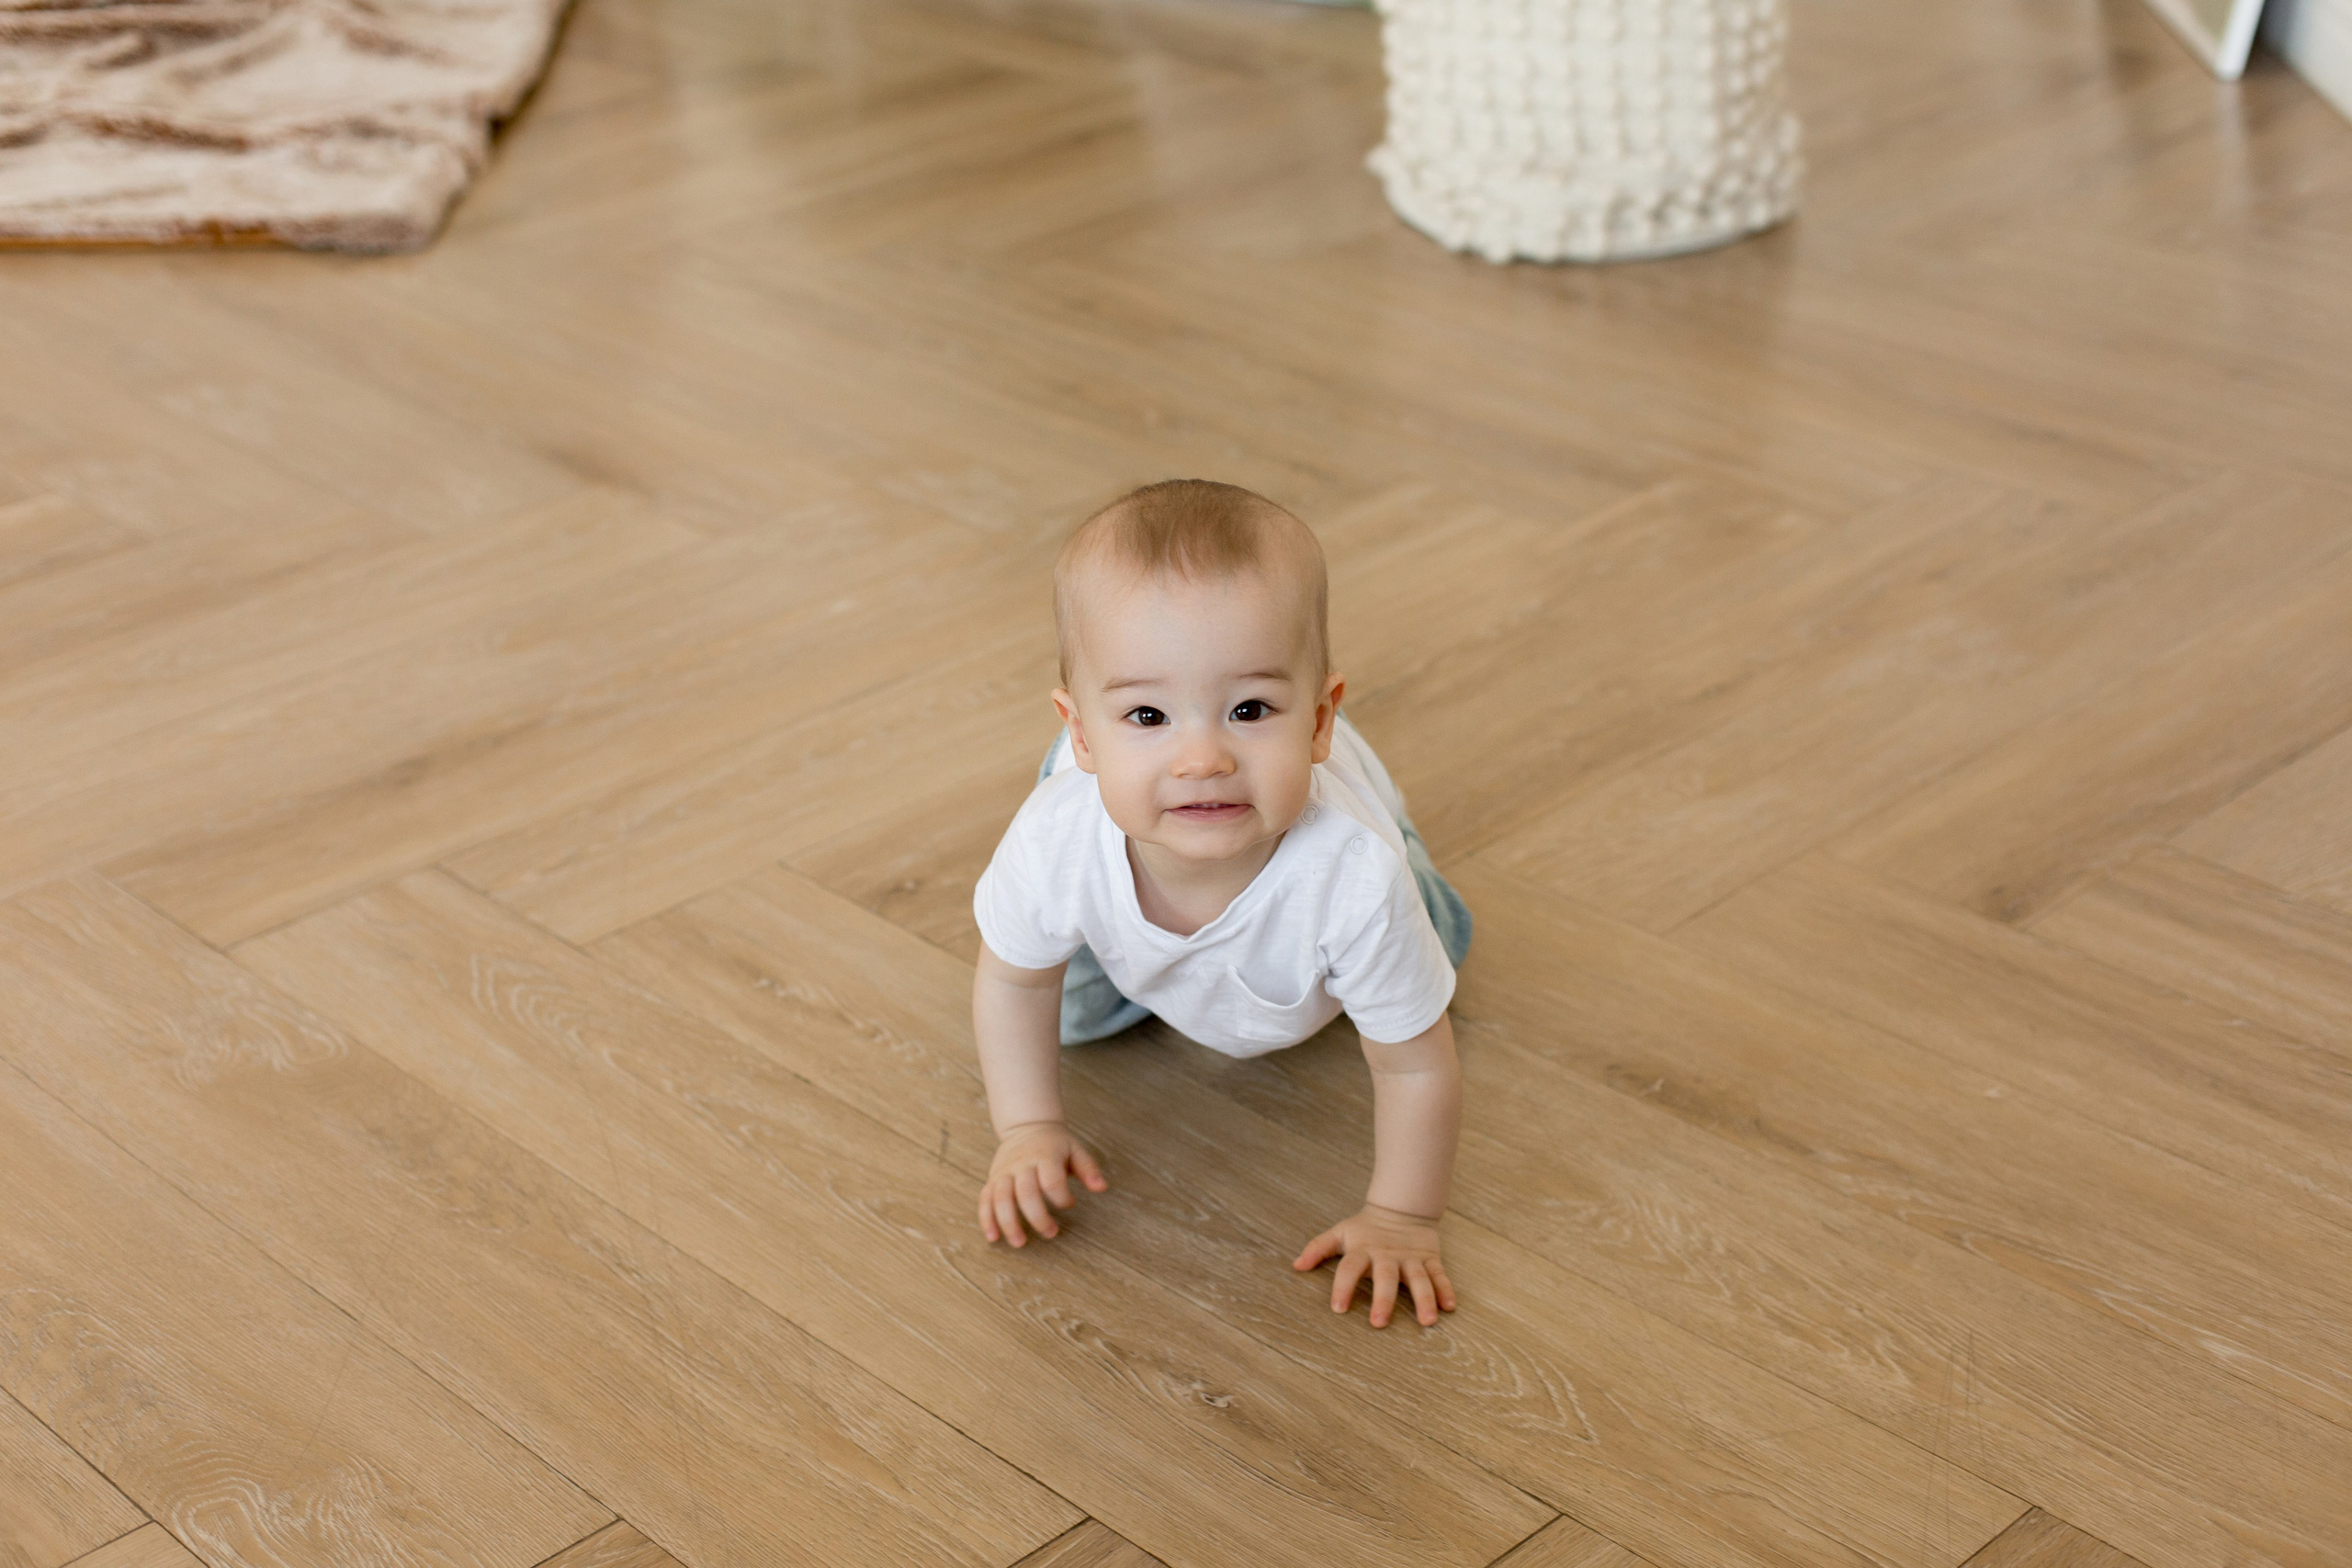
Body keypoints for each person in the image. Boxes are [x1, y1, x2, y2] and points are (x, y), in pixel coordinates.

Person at [969, 479, 1473, 1329]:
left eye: (1249, 709)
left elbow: (1417, 1063)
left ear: (1318, 721)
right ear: (1081, 736)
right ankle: (1134, 796)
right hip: (1112, 863)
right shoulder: (1058, 835)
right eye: (1148, 714)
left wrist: (1403, 1216)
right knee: (1064, 1018)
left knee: (1435, 953)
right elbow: (1013, 982)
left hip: (1350, 867)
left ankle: (1401, 849)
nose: (1202, 756)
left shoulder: (1353, 876)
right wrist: (1027, 1125)